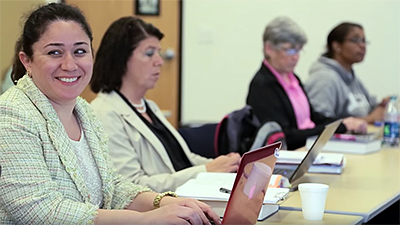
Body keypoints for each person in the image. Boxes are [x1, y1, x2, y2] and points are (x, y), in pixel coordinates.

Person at [0, 3, 221, 224]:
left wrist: (166, 202)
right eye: (54, 52)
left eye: (80, 51)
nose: (69, 64)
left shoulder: (83, 111)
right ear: (26, 60)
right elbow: (38, 210)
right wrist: (146, 220)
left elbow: (112, 187)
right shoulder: (12, 114)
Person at [90, 16, 240, 192]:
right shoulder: (104, 113)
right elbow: (130, 188)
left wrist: (226, 166)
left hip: (186, 198)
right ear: (121, 59)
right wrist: (206, 171)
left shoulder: (149, 106)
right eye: (149, 53)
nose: (159, 61)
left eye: (158, 52)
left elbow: (183, 159)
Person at [246, 17, 367, 150]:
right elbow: (286, 137)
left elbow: (313, 117)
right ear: (269, 48)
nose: (296, 56)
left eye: (299, 50)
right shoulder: (263, 86)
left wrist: (342, 123)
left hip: (306, 148)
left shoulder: (292, 78)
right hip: (289, 154)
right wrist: (340, 127)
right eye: (290, 50)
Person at [304, 22, 389, 124]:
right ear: (336, 46)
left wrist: (382, 106)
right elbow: (320, 123)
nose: (362, 45)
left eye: (363, 41)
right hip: (334, 140)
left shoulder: (352, 77)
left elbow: (369, 109)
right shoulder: (324, 78)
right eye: (355, 40)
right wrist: (368, 120)